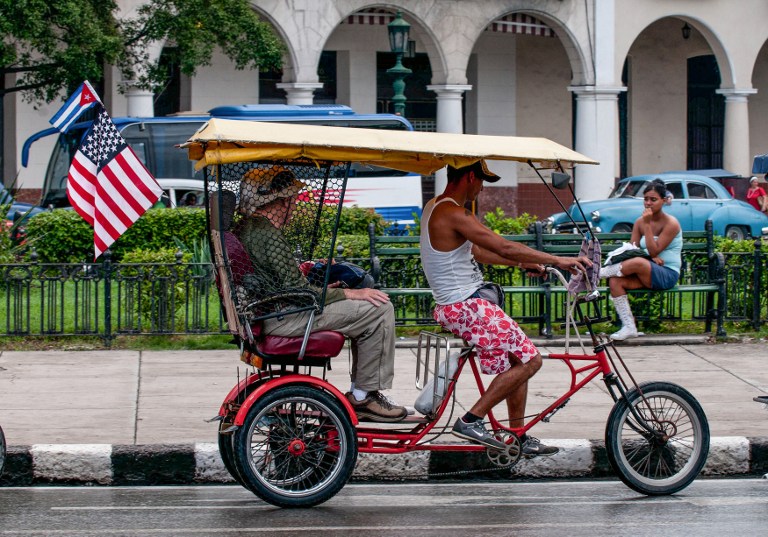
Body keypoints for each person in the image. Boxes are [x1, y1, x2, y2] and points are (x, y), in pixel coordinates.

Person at [420, 160, 592, 455]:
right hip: (466, 306)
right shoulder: (453, 212)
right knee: (531, 361)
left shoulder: (436, 206)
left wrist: (521, 262)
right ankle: (471, 420)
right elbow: (502, 245)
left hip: (462, 303)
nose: (482, 188)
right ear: (470, 176)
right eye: (482, 180)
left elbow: (475, 250)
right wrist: (558, 260)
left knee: (518, 360)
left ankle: (516, 435)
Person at [235, 165, 407, 423]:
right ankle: (363, 397)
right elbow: (299, 290)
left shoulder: (249, 228)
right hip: (287, 317)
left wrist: (320, 287)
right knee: (379, 308)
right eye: (290, 199)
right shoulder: (266, 235)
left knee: (366, 305)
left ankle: (363, 392)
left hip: (275, 310)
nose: (293, 206)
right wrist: (350, 295)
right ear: (279, 200)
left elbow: (284, 282)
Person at [599, 178, 682, 341]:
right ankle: (629, 327)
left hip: (667, 273)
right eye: (646, 199)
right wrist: (649, 257)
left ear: (664, 201)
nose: (648, 203)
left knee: (639, 262)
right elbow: (632, 250)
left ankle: (595, 274)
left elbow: (654, 250)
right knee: (615, 282)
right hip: (647, 270)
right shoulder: (640, 222)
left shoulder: (671, 223)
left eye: (653, 199)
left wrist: (648, 226)